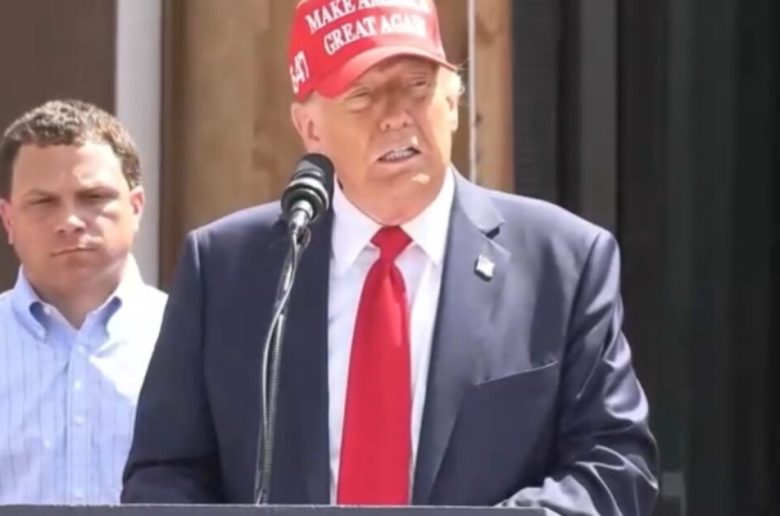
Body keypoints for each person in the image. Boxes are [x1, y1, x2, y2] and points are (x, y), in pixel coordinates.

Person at [122, 0, 658, 514]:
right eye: (363, 95)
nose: (397, 117)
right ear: (310, 128)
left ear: (453, 102)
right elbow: (166, 474)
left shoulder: (563, 262)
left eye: (418, 87)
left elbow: (614, 462)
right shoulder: (226, 270)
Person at [0, 99, 167, 504]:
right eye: (43, 202)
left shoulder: (193, 340)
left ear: (136, 208)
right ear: (8, 220)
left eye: (93, 197)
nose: (70, 221)